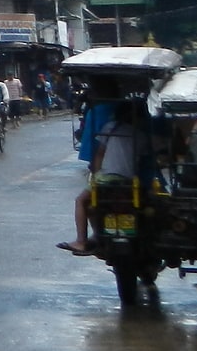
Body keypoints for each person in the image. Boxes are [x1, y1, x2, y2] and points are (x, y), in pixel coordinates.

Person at [60, 98, 144, 255]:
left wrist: (96, 175)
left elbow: (99, 155)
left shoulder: (110, 127)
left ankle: (81, 241)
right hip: (129, 182)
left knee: (81, 201)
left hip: (106, 180)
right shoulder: (140, 135)